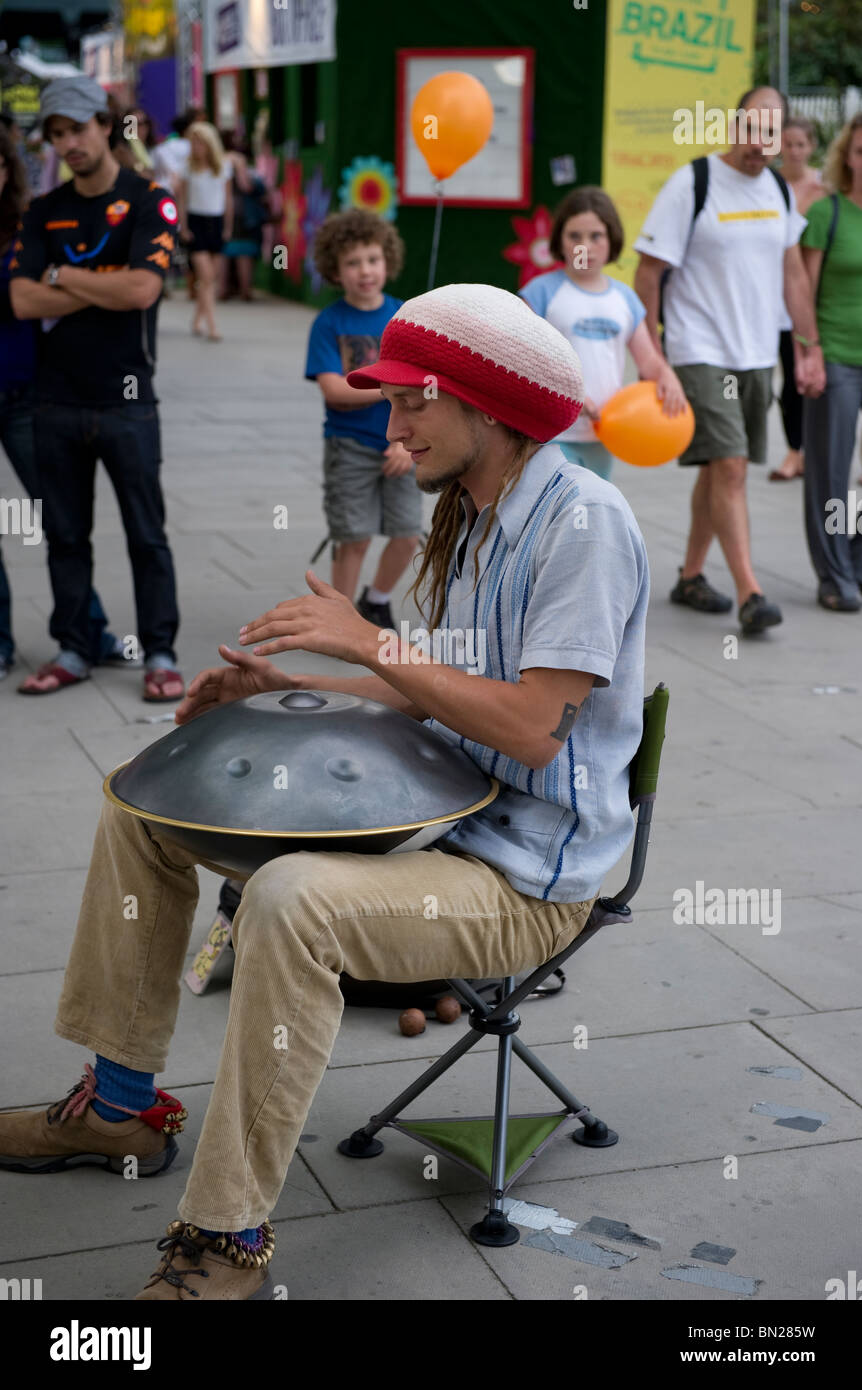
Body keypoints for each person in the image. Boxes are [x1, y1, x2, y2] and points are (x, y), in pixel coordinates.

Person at [0, 282, 649, 1301]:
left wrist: (372, 639)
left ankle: (226, 1237)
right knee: (142, 807)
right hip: (449, 825)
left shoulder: (583, 524)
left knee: (291, 901)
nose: (389, 424)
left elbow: (528, 723)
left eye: (412, 402)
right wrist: (287, 689)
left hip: (527, 880)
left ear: (485, 403)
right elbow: (446, 700)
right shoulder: (474, 518)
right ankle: (119, 1101)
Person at [9, 75, 184, 700]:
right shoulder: (43, 209)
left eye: (77, 128)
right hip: (55, 400)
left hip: (128, 399)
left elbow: (143, 290)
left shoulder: (149, 200)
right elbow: (22, 300)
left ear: (105, 126)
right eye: (56, 134)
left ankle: (159, 653)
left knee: (146, 533)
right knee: (64, 537)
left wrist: (62, 273)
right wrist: (95, 284)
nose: (68, 143)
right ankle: (74, 648)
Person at [633, 87, 825, 635]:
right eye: (750, 131)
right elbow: (648, 272)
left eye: (771, 135)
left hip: (758, 353)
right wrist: (653, 354)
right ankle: (751, 592)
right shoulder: (692, 183)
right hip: (699, 348)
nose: (758, 146)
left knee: (722, 466)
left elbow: (792, 274)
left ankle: (691, 575)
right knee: (734, 467)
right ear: (731, 126)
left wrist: (808, 349)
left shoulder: (778, 191)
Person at [0, 126, 132, 680]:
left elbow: (38, 300)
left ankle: (89, 631)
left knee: (60, 522)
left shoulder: (29, 223)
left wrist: (52, 290)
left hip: (28, 391)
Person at [519, 186, 687, 480]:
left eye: (595, 236)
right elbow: (520, 358)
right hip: (550, 433)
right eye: (575, 236)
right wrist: (568, 393)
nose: (585, 246)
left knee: (590, 517)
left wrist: (667, 375)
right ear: (559, 239)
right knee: (555, 517)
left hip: (604, 436)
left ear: (612, 240)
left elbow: (648, 361)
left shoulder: (625, 299)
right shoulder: (538, 293)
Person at [305, 208, 419, 628]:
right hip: (348, 446)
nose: (364, 270)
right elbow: (334, 390)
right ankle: (341, 618)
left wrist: (405, 442)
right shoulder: (329, 322)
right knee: (353, 537)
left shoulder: (406, 315)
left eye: (372, 259)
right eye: (352, 263)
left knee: (407, 534)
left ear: (387, 260)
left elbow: (424, 388)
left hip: (404, 445)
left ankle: (377, 599)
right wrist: (394, 386)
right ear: (336, 270)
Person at [799, 113, 862, 611]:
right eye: (860, 152)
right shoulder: (828, 214)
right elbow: (802, 288)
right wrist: (810, 350)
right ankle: (834, 574)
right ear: (846, 158)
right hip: (838, 357)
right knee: (831, 471)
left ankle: (858, 560)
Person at [771, 117, 824, 481]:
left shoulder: (826, 188)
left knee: (814, 377)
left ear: (812, 147)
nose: (793, 151)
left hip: (811, 298)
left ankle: (818, 451)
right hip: (772, 299)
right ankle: (794, 451)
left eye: (800, 145)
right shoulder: (767, 184)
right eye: (787, 144)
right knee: (788, 379)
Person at [177, 121, 232, 342]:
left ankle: (198, 318)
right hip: (196, 221)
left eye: (200, 143)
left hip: (216, 221)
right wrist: (183, 226)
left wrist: (228, 227)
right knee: (206, 276)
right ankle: (212, 325)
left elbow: (228, 200)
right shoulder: (187, 168)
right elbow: (182, 200)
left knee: (211, 278)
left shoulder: (223, 166)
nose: (197, 147)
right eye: (194, 143)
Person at [219, 132, 265, 302]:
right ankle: (246, 290)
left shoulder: (217, 158)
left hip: (218, 209)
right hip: (241, 211)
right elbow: (246, 186)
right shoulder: (238, 159)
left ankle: (222, 288)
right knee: (243, 251)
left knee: (224, 250)